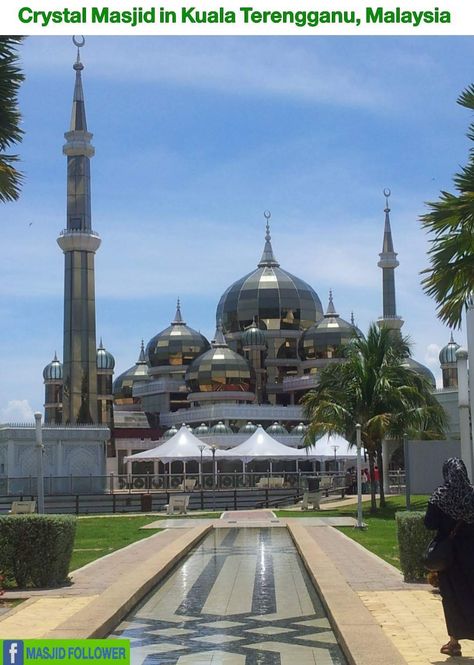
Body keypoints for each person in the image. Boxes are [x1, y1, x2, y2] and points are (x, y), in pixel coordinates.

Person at [424, 458, 474, 657]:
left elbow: (429, 523)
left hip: (449, 558)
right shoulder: (472, 494)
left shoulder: (440, 496)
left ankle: (454, 643)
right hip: (471, 554)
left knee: (451, 597)